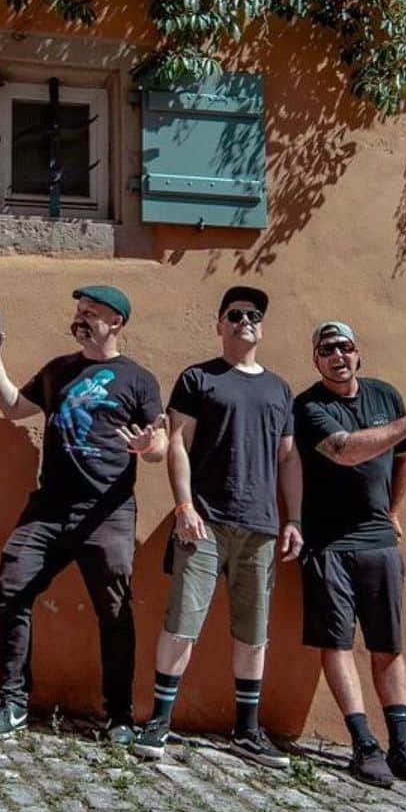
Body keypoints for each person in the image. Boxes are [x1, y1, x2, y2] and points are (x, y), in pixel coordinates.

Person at [0, 285, 166, 744]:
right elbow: (13, 408)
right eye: (79, 312)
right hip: (49, 509)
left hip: (108, 512)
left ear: (116, 322)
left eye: (92, 314)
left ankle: (119, 716)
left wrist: (148, 447)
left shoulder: (137, 379)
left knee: (115, 610)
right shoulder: (59, 370)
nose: (81, 319)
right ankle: (14, 702)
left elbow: (159, 441)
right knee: (12, 589)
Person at [134, 286, 302, 766]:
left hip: (262, 529)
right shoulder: (198, 379)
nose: (244, 321)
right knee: (182, 624)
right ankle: (159, 721)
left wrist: (295, 520)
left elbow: (287, 459)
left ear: (261, 328)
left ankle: (246, 731)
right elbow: (178, 444)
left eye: (253, 315)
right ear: (220, 325)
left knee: (253, 634)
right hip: (204, 523)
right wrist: (184, 506)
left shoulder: (279, 389)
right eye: (235, 314)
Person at [293, 321, 406, 787]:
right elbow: (345, 451)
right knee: (337, 643)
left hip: (379, 543)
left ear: (357, 353)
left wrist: (394, 509)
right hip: (328, 545)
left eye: (344, 347)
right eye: (327, 350)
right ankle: (363, 743)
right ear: (317, 360)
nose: (337, 356)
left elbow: (405, 456)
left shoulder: (384, 394)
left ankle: (402, 744)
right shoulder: (308, 407)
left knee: (387, 644)